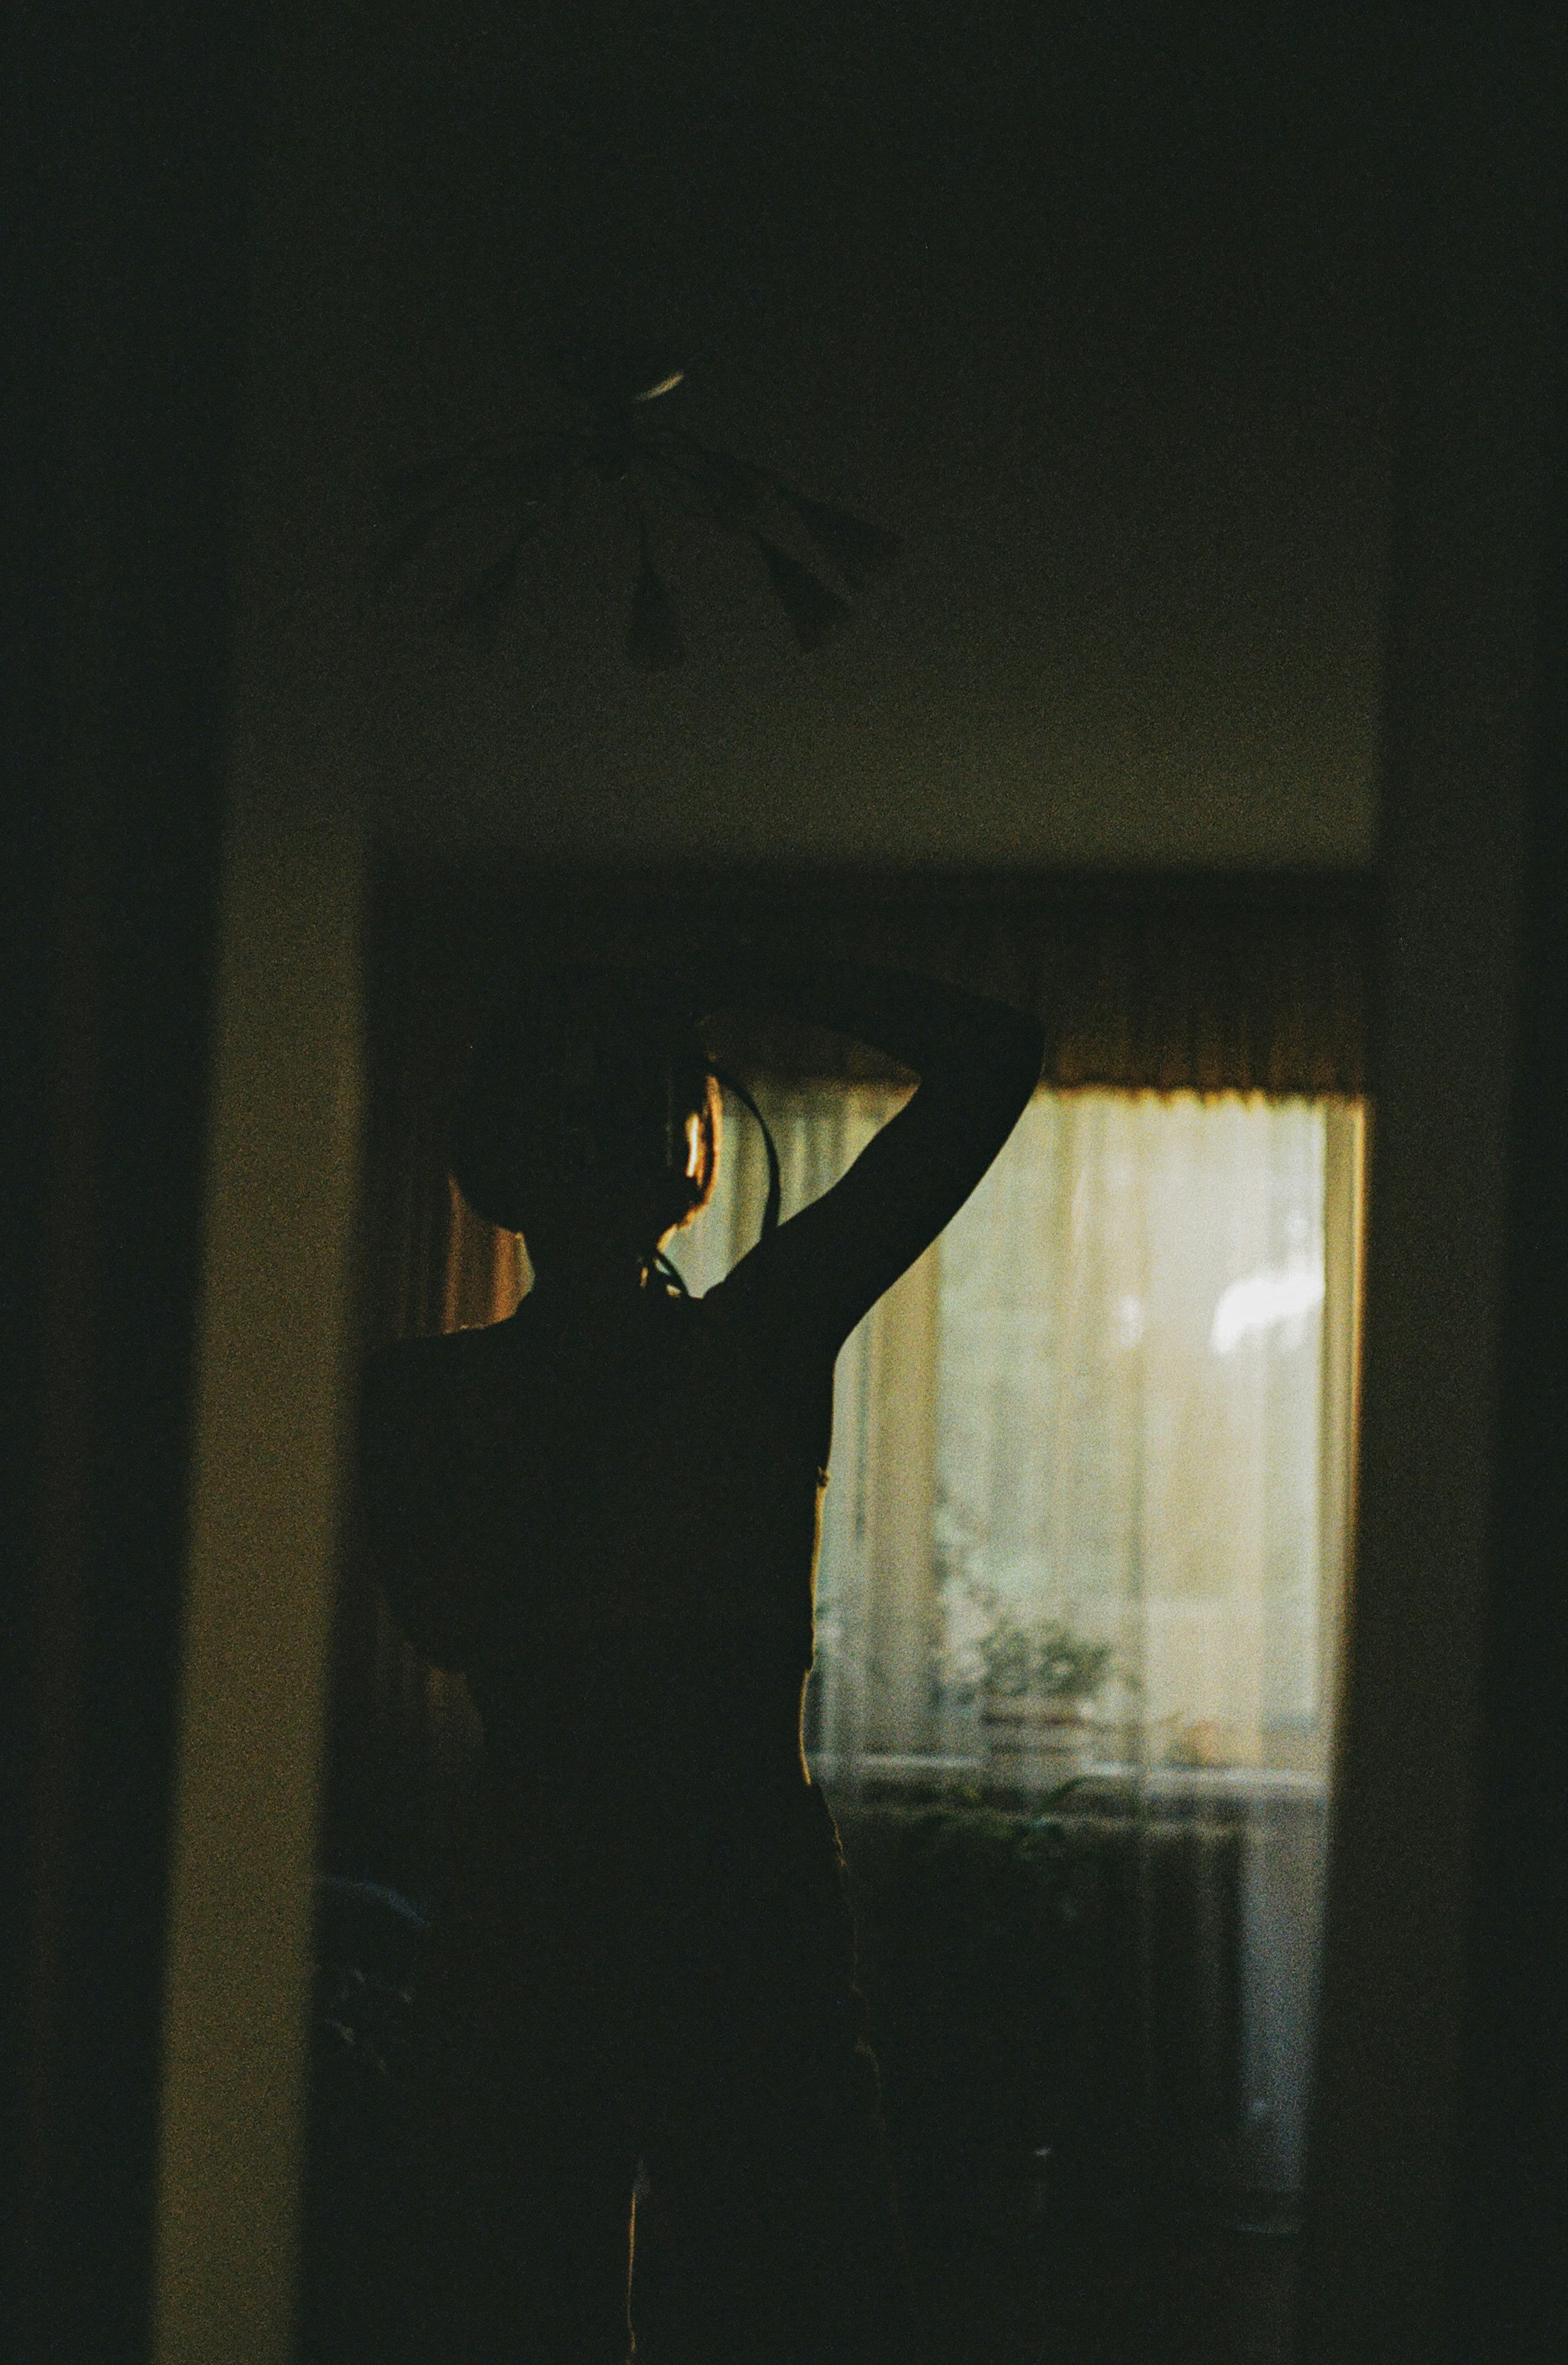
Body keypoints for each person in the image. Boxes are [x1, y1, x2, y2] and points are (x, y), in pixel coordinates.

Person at [358, 953, 1045, 2365]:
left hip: (605, 1877)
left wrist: (741, 963)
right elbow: (991, 1058)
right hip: (675, 1881)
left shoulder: (477, 1387)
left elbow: (997, 1060)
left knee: (713, 2290)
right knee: (694, 2292)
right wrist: (749, 967)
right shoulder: (742, 1343)